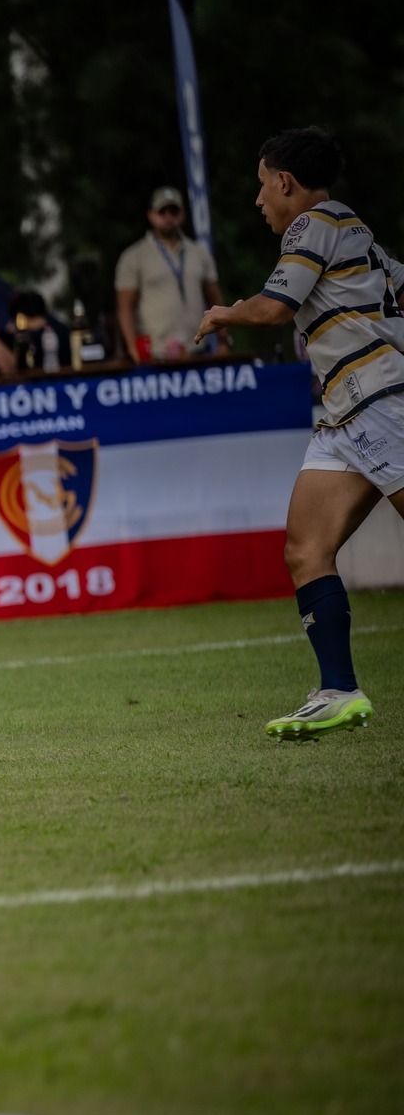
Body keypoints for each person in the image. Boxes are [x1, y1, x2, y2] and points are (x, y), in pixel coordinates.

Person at [195, 126, 404, 738]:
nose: (258, 200)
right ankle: (338, 690)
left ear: (285, 182)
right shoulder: (357, 231)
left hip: (378, 403)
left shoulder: (310, 226)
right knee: (305, 550)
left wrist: (224, 313)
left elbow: (274, 308)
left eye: (262, 186)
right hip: (344, 414)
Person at [116, 187, 224, 360]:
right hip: (156, 355)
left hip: (196, 351)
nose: (168, 216)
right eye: (162, 211)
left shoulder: (199, 253)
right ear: (151, 215)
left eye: (173, 211)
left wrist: (223, 341)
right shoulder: (134, 256)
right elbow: (125, 308)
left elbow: (215, 300)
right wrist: (133, 349)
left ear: (182, 215)